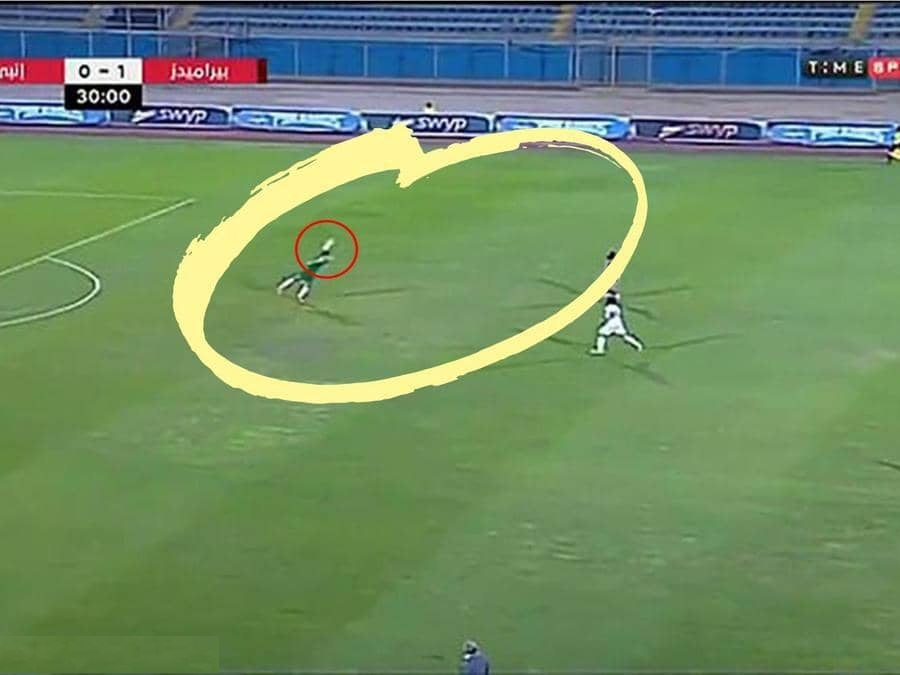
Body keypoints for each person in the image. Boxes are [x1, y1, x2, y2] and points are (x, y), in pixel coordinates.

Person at [276, 238, 335, 304]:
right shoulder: (321, 258)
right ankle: (282, 288)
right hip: (309, 272)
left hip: (311, 273)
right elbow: (310, 263)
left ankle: (298, 296)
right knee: (297, 279)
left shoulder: (324, 258)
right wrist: (320, 260)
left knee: (303, 283)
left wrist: (328, 247)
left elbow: (325, 256)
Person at [590, 289, 644, 356]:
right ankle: (638, 345)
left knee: (601, 334)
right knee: (624, 335)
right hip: (618, 323)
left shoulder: (608, 307)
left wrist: (602, 321)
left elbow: (607, 317)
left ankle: (600, 349)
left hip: (610, 323)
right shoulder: (617, 306)